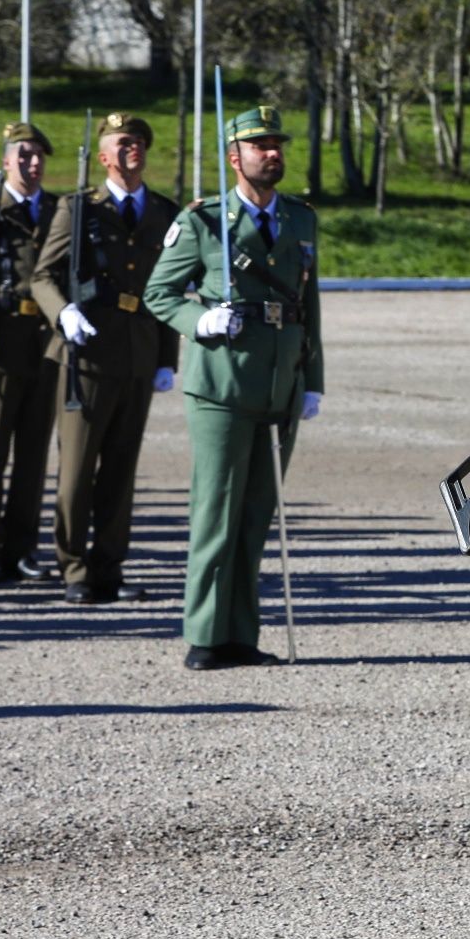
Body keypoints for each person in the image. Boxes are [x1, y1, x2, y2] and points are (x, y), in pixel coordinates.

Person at [144, 105, 321, 669]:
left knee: (255, 517)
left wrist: (312, 380)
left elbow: (306, 304)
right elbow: (160, 293)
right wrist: (199, 321)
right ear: (233, 157)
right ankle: (205, 635)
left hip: (280, 385)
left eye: (276, 144)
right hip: (220, 385)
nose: (272, 153)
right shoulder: (203, 221)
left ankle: (242, 635)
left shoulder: (299, 219)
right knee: (216, 514)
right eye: (259, 145)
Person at [34, 112, 180, 605]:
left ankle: (109, 568)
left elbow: (168, 288)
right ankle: (73, 568)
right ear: (102, 157)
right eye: (121, 143)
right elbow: (42, 276)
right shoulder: (78, 209)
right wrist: (63, 313)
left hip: (138, 353)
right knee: (77, 470)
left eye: (138, 142)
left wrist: (168, 356)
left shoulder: (163, 211)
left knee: (121, 471)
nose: (131, 149)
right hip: (87, 355)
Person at [0, 122, 60, 584]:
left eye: (39, 156)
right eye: (23, 155)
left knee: (33, 452)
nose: (32, 163)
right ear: (5, 161)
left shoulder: (60, 211)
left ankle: (22, 547)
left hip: (44, 342)